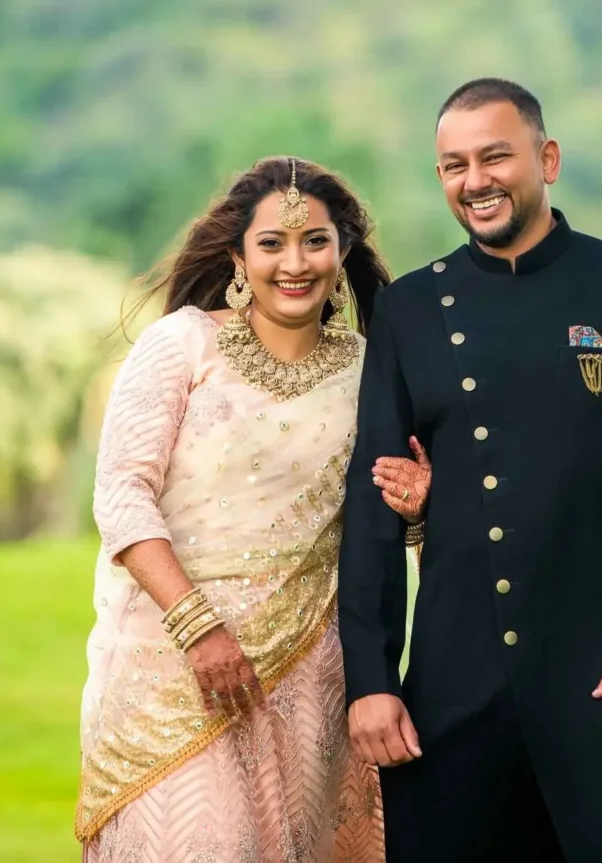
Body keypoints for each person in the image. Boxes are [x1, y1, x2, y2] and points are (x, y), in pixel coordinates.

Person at [337, 78, 602, 862]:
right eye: (453, 165)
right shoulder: (411, 310)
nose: (475, 181)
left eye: (495, 156)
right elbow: (373, 504)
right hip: (453, 697)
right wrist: (372, 678)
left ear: (546, 158)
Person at [75, 156, 433, 862]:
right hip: (171, 677)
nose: (293, 263)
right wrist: (198, 628)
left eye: (315, 242)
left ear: (343, 252)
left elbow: (390, 527)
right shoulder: (181, 346)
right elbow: (121, 496)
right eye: (271, 244)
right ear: (238, 255)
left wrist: (419, 510)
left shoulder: (372, 370)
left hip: (311, 686)